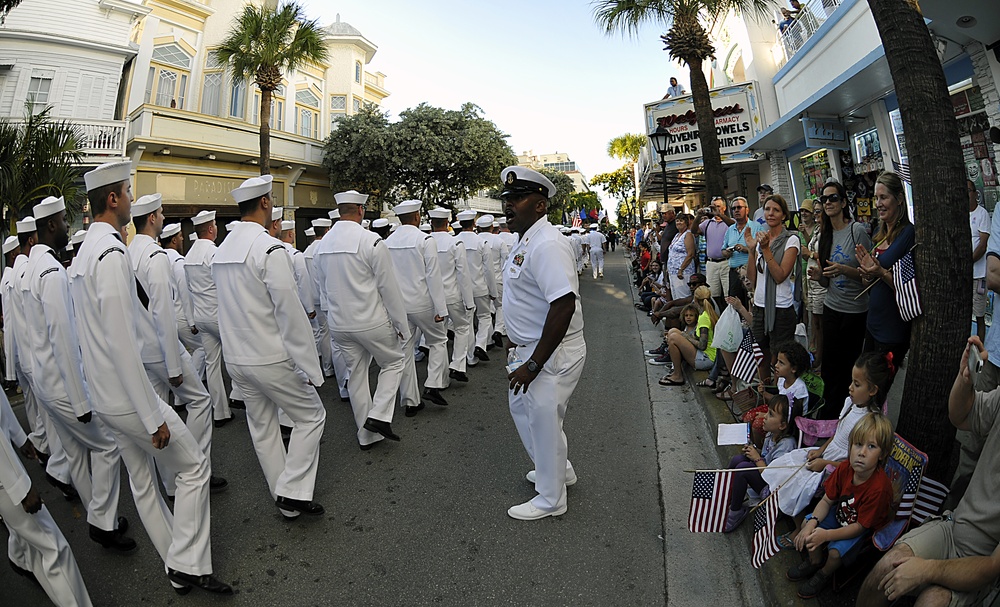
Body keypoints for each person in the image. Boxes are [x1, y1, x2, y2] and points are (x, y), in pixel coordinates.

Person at [71, 161, 230, 595]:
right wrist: (151, 415)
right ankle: (188, 563)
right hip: (127, 396)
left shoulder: (86, 251)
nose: (129, 196)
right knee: (194, 467)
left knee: (143, 483)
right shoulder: (109, 253)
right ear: (113, 199)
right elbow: (121, 341)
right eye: (126, 188)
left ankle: (174, 562)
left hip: (105, 394)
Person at [20, 196, 137, 552]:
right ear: (51, 226)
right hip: (62, 383)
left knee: (75, 454)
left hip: (44, 381)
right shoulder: (52, 272)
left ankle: (96, 515)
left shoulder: (27, 269)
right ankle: (102, 522)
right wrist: (81, 397)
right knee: (108, 445)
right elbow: (63, 340)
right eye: (63, 221)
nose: (67, 227)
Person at [213, 175, 326, 519]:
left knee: (262, 430)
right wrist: (311, 366)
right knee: (312, 416)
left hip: (237, 358)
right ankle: (293, 489)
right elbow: (290, 314)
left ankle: (286, 499)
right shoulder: (269, 248)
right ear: (265, 203)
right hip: (271, 357)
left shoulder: (223, 250)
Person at [857, 337, 1000, 607]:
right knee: (886, 568)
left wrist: (925, 569)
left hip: (985, 565)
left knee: (931, 600)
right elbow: (961, 415)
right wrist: (965, 380)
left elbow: (991, 567)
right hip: (954, 528)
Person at [500, 165, 586, 521]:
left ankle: (551, 499)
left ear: (540, 205)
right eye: (507, 198)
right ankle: (558, 470)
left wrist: (534, 363)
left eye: (518, 198)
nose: (509, 205)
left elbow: (563, 304)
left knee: (543, 419)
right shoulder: (528, 239)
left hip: (549, 353)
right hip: (531, 348)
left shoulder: (547, 242)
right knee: (531, 415)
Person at [129, 194, 225, 497]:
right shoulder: (155, 256)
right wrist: (173, 365)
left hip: (141, 348)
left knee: (161, 414)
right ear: (153, 219)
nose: (161, 218)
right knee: (200, 402)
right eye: (159, 213)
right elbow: (162, 311)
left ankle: (170, 483)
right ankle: (194, 466)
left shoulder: (128, 252)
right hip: (160, 346)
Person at [762, 351, 893, 549]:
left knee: (797, 483)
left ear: (873, 390)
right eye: (852, 382)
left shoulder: (869, 422)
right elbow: (838, 432)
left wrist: (825, 463)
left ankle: (798, 526)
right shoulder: (851, 403)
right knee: (787, 464)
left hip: (837, 466)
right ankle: (784, 508)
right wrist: (821, 450)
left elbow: (854, 462)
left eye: (857, 385)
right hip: (827, 455)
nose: (850, 388)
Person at [315, 190, 409, 450]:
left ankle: (366, 435)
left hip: (339, 323)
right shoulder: (372, 241)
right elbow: (388, 289)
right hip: (371, 320)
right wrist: (401, 325)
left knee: (356, 375)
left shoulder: (321, 245)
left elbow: (322, 289)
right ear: (360, 210)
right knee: (394, 362)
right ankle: (379, 415)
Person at [0, 390, 95, 607]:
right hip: (5, 480)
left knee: (35, 550)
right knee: (54, 550)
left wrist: (18, 435)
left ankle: (20, 557)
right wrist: (20, 487)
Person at [2, 221, 74, 498]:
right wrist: (11, 370)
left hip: (28, 358)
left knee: (44, 416)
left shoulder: (21, 271)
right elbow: (12, 324)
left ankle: (49, 455)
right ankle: (56, 465)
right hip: (36, 358)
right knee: (54, 420)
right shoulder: (23, 272)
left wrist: (13, 367)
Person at [789, 412, 893, 600]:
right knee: (807, 526)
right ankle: (815, 561)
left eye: (871, 447)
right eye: (858, 444)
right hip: (841, 513)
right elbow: (827, 500)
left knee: (835, 553)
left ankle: (824, 573)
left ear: (882, 454)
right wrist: (813, 522)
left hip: (859, 527)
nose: (862, 452)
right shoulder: (845, 468)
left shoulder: (879, 489)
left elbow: (860, 526)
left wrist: (826, 535)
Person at [384, 200, 451, 417]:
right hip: (422, 302)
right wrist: (441, 308)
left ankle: (411, 401)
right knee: (438, 341)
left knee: (405, 350)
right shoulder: (424, 240)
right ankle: (432, 384)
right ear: (417, 217)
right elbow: (433, 277)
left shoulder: (388, 241)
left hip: (399, 305)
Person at [812, 181, 872, 418]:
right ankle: (828, 417)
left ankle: (848, 417)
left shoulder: (856, 230)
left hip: (855, 311)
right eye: (824, 199)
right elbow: (827, 281)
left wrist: (844, 270)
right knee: (829, 367)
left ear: (844, 202)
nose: (828, 203)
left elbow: (870, 275)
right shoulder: (825, 235)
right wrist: (819, 276)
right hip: (832, 307)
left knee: (849, 368)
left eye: (833, 198)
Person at [856, 171, 915, 364]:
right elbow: (869, 282)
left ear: (899, 199)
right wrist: (866, 273)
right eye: (876, 198)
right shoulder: (879, 234)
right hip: (873, 324)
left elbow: (908, 286)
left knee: (877, 388)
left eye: (884, 197)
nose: (878, 204)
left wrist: (880, 272)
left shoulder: (908, 234)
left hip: (892, 329)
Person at [184, 210, 235, 424]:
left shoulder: (189, 256)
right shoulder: (213, 252)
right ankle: (243, 398)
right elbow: (224, 284)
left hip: (201, 316)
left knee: (212, 365)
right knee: (236, 360)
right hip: (219, 315)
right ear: (212, 228)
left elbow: (188, 289)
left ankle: (220, 411)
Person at [724, 394, 800, 532]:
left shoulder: (786, 446)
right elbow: (765, 455)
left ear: (783, 425)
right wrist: (753, 451)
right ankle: (726, 494)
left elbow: (774, 477)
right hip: (764, 472)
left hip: (772, 491)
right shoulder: (772, 434)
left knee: (743, 469)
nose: (764, 417)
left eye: (770, 414)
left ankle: (735, 512)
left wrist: (756, 457)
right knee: (738, 460)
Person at [745, 194, 801, 378]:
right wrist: (752, 250)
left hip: (781, 309)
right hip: (760, 306)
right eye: (767, 209)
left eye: (776, 210)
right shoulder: (762, 238)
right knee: (761, 355)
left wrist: (766, 248)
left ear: (784, 215)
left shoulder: (791, 240)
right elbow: (752, 278)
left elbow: (779, 276)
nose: (770, 213)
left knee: (780, 359)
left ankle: (779, 399)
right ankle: (765, 393)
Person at [428, 207, 476, 383]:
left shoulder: (425, 241)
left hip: (432, 298)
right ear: (447, 223)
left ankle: (439, 380)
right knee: (462, 328)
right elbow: (463, 275)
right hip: (453, 295)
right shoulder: (454, 243)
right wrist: (469, 301)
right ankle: (457, 364)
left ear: (432, 223)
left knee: (438, 339)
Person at [159, 223, 206, 384]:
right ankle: (190, 384)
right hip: (181, 315)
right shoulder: (177, 260)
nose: (182, 238)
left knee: (177, 354)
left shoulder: (160, 257)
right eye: (179, 236)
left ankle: (180, 394)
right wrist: (192, 322)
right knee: (202, 347)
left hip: (166, 314)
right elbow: (185, 293)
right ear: (173, 240)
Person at [743, 340, 811, 444]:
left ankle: (761, 450)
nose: (776, 365)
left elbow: (789, 414)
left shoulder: (799, 389)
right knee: (748, 417)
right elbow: (779, 400)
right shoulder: (782, 380)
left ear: (793, 369)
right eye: (777, 361)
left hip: (788, 421)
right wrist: (764, 394)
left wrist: (767, 414)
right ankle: (751, 443)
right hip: (777, 411)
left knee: (757, 425)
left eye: (781, 363)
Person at [454, 209, 497, 366]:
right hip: (480, 286)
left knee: (467, 322)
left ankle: (471, 357)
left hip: (460, 289)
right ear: (474, 224)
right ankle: (480, 344)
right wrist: (493, 291)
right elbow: (489, 270)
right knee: (485, 317)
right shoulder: (481, 242)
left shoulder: (454, 241)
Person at [659, 285, 717, 385]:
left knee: (673, 338)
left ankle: (678, 375)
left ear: (695, 299)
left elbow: (702, 346)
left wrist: (686, 336)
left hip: (706, 359)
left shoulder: (704, 317)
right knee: (673, 331)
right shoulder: (707, 312)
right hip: (705, 355)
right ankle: (676, 368)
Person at [722, 196, 763, 310]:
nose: (736, 210)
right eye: (733, 208)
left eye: (739, 207)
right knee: (734, 304)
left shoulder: (756, 227)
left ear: (747, 210)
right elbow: (723, 249)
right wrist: (727, 252)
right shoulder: (730, 229)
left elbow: (763, 249)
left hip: (751, 272)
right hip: (734, 273)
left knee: (752, 302)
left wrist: (746, 249)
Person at [694, 196, 735, 307]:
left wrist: (719, 215)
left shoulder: (729, 222)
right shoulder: (707, 223)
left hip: (726, 262)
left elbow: (734, 226)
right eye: (713, 207)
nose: (715, 209)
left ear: (724, 208)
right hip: (712, 263)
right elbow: (694, 230)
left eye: (718, 206)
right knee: (712, 294)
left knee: (728, 294)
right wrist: (698, 216)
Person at [802, 203, 826, 371]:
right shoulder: (817, 230)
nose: (816, 214)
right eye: (815, 211)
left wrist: (809, 254)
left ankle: (821, 357)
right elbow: (811, 247)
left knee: (819, 321)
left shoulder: (827, 231)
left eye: (818, 211)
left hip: (821, 282)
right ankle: (817, 352)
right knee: (814, 321)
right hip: (811, 281)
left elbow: (825, 253)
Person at [969, 180, 989, 342]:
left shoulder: (982, 214)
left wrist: (968, 262)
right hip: (965, 275)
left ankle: (980, 347)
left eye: (969, 190)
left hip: (979, 274)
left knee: (980, 314)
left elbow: (982, 246)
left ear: (975, 193)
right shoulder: (961, 214)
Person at [667, 213, 697, 301]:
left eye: (681, 220)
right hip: (673, 272)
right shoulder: (677, 235)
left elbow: (690, 254)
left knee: (683, 297)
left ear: (686, 223)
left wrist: (681, 269)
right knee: (676, 297)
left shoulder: (688, 235)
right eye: (677, 221)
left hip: (683, 272)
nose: (679, 223)